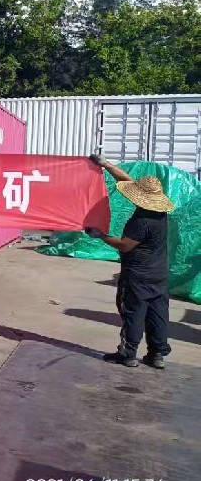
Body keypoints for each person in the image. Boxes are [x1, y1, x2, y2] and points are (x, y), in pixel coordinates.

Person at [86, 154, 173, 369]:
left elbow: (125, 245)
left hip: (137, 276)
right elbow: (127, 181)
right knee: (158, 313)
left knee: (133, 312)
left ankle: (128, 354)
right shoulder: (161, 214)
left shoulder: (141, 221)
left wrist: (101, 235)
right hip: (159, 274)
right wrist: (106, 165)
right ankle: (157, 355)